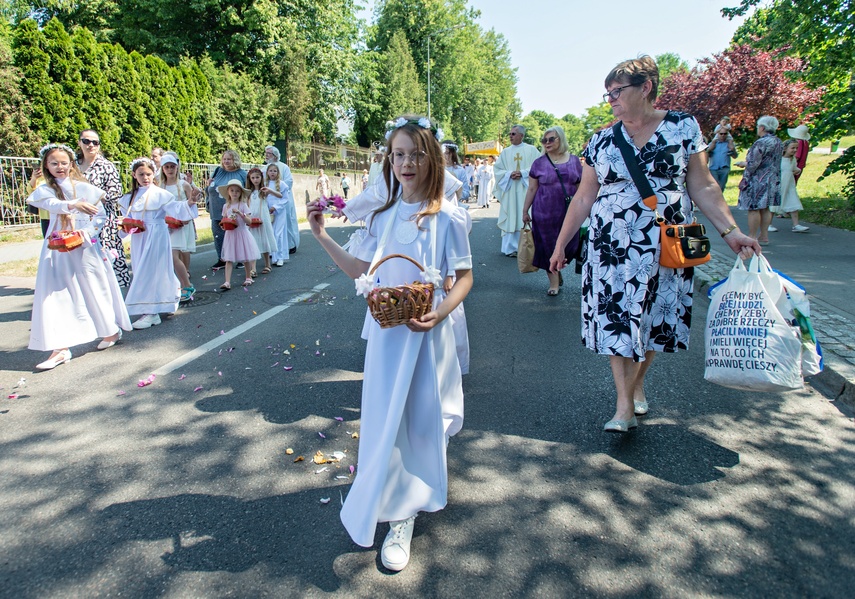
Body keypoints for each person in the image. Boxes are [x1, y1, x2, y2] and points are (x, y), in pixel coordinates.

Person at [549, 56, 760, 433]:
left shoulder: (682, 127)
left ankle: (637, 383)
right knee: (617, 319)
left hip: (668, 241)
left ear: (645, 88)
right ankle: (623, 405)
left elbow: (703, 184)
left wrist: (731, 232)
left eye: (617, 91)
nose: (611, 99)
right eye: (608, 93)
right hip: (612, 246)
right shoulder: (601, 140)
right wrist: (561, 244)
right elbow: (583, 197)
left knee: (654, 319)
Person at [306, 115, 472, 572]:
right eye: (398, 154)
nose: (406, 163)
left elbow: (463, 277)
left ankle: (405, 515)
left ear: (432, 158)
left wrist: (439, 313)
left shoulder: (448, 215)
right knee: (385, 419)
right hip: (387, 335)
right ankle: (389, 492)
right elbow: (361, 270)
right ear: (389, 160)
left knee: (418, 420)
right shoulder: (382, 215)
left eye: (416, 154)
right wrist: (321, 235)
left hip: (426, 334)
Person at [26, 144, 131, 369]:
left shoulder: (84, 188)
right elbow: (50, 204)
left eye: (64, 163)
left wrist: (87, 233)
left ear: (71, 164)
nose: (59, 167)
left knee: (94, 287)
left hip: (83, 245)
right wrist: (73, 204)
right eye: (54, 163)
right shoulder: (46, 190)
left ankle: (110, 330)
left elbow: (100, 216)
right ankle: (60, 348)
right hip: (57, 245)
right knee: (54, 293)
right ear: (46, 166)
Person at [119, 158, 182, 329]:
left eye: (148, 174)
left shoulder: (161, 195)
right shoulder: (129, 198)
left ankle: (152, 313)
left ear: (153, 174)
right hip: (139, 237)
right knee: (141, 269)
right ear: (134, 175)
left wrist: (190, 202)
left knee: (152, 271)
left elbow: (176, 209)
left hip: (157, 235)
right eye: (141, 174)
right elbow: (128, 219)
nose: (145, 177)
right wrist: (123, 230)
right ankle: (171, 295)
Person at [522, 126, 582, 296]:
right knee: (548, 247)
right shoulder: (539, 163)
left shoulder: (574, 161)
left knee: (570, 246)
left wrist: (588, 209)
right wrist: (525, 210)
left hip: (569, 213)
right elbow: (532, 189)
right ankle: (554, 282)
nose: (546, 143)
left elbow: (581, 188)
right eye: (544, 140)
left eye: (551, 139)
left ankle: (557, 266)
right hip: (544, 213)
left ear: (560, 139)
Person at [77, 128, 131, 287]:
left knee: (106, 256)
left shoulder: (106, 166)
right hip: (79, 219)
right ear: (79, 143)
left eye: (95, 142)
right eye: (86, 141)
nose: (91, 145)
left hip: (103, 221)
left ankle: (110, 289)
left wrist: (96, 198)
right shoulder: (73, 165)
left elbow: (116, 193)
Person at [158, 154, 201, 302]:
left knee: (175, 255)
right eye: (167, 167)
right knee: (169, 257)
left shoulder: (183, 184)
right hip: (165, 225)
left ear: (177, 167)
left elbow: (191, 202)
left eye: (172, 166)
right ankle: (177, 285)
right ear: (163, 169)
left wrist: (186, 218)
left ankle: (186, 284)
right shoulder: (159, 186)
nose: (170, 170)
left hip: (180, 224)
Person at [735, 115, 783, 245]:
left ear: (762, 127)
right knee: (766, 207)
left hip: (758, 179)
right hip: (773, 179)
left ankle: (752, 236)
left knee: (754, 208)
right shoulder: (778, 142)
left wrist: (743, 165)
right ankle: (764, 235)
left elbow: (753, 163)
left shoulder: (761, 142)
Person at [495, 125, 540, 255]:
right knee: (511, 216)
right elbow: (497, 169)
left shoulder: (532, 150)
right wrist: (509, 174)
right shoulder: (505, 152)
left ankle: (527, 247)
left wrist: (523, 173)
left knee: (526, 214)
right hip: (510, 189)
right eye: (510, 134)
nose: (510, 136)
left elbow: (538, 167)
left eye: (513, 134)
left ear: (522, 135)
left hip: (527, 189)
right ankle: (510, 248)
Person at [205, 150, 247, 268]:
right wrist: (208, 185)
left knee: (235, 234)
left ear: (235, 160)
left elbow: (247, 191)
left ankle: (240, 258)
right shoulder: (218, 171)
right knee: (218, 235)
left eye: (229, 159)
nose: (226, 161)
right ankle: (222, 258)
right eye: (224, 159)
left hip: (234, 210)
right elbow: (209, 189)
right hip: (216, 209)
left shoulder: (242, 174)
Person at [216, 179, 260, 290]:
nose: (234, 193)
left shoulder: (243, 205)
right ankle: (227, 282)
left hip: (241, 233)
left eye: (237, 191)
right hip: (230, 234)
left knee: (245, 257)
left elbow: (249, 221)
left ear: (241, 193)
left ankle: (248, 277)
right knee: (229, 258)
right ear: (228, 192)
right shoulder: (226, 206)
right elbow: (224, 219)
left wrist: (240, 213)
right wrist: (223, 225)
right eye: (232, 190)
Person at [263, 144, 297, 255]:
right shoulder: (264, 168)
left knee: (286, 222)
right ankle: (273, 248)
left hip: (282, 199)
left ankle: (290, 245)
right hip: (269, 201)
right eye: (266, 153)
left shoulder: (284, 167)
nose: (266, 155)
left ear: (275, 155)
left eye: (269, 153)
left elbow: (289, 182)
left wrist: (276, 188)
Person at [245, 167, 277, 274]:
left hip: (263, 217)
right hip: (252, 217)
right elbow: (246, 205)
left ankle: (267, 264)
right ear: (250, 179)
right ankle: (253, 269)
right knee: (253, 241)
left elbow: (280, 195)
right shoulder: (248, 193)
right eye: (253, 178)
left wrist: (270, 190)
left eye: (257, 177)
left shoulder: (263, 191)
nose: (255, 180)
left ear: (261, 178)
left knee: (264, 239)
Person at [774, 139, 809, 232]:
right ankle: (768, 225)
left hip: (790, 185)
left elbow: (793, 168)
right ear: (785, 148)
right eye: (792, 148)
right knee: (773, 205)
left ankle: (796, 225)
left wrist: (797, 170)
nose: (795, 150)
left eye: (796, 148)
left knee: (794, 203)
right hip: (779, 184)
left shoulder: (792, 159)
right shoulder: (778, 159)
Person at [264, 163, 291, 267]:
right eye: (270, 171)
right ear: (267, 172)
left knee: (278, 234)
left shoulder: (282, 184)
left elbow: (285, 199)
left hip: (279, 212)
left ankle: (280, 257)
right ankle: (273, 256)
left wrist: (276, 207)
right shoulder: (265, 183)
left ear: (278, 173)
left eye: (274, 171)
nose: (272, 173)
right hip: (268, 212)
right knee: (270, 234)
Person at [442, 140, 469, 204]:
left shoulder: (460, 170)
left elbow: (466, 193)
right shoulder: (437, 170)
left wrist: (455, 191)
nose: (445, 156)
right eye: (443, 153)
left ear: (453, 154)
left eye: (447, 153)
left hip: (455, 204)